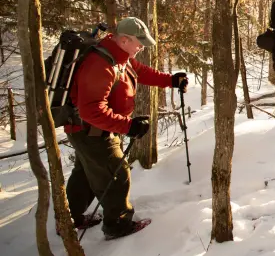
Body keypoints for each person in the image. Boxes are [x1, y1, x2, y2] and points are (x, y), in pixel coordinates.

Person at [63, 16, 189, 239]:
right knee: (116, 176)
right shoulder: (100, 64)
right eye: (139, 43)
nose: (142, 47)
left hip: (93, 130)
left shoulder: (120, 57)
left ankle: (70, 219)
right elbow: (91, 110)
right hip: (92, 132)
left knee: (85, 174)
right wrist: (128, 126)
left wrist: (171, 80)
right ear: (123, 40)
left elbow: (141, 72)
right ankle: (117, 225)